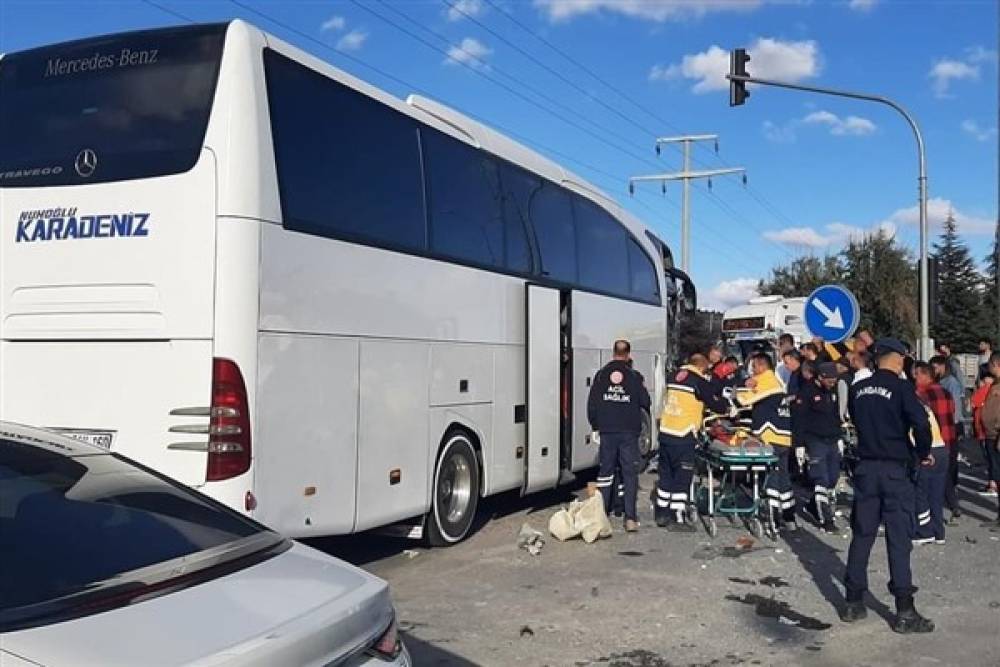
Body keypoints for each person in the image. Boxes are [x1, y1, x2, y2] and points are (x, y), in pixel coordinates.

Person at [841, 338, 935, 633]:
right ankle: (904, 611)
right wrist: (922, 453)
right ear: (898, 359)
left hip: (866, 468)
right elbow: (921, 423)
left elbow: (855, 420)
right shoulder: (901, 388)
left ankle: (853, 602)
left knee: (862, 534)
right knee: (898, 539)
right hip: (895, 470)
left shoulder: (858, 389)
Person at [656, 353, 732, 531]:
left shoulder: (674, 376)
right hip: (683, 435)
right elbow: (715, 404)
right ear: (701, 368)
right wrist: (727, 407)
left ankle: (661, 513)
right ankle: (677, 517)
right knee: (682, 477)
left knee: (665, 475)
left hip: (666, 432)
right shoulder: (697, 381)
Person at [587, 340, 650, 532]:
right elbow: (645, 402)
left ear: (613, 352)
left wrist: (596, 425)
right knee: (629, 473)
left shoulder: (600, 375)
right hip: (629, 432)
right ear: (628, 354)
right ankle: (630, 518)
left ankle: (602, 515)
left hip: (607, 431)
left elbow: (592, 405)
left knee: (605, 473)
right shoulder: (634, 377)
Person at [737, 353, 797, 532]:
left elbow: (743, 399)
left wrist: (741, 386)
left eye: (754, 367)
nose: (752, 372)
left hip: (771, 436)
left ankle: (773, 517)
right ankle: (788, 515)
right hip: (784, 437)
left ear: (762, 366)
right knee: (783, 476)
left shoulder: (765, 381)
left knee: (771, 477)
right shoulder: (777, 382)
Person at [800, 362, 844, 533]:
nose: (833, 384)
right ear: (820, 377)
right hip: (815, 440)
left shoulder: (831, 391)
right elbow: (799, 420)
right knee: (821, 480)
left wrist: (839, 436)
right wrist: (799, 445)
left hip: (832, 440)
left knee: (832, 479)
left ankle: (812, 506)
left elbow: (834, 415)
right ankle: (826, 521)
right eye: (830, 381)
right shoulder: (807, 392)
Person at [912, 362, 954, 544]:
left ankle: (924, 531)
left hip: (929, 450)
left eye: (916, 375)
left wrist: (921, 453)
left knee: (921, 493)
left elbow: (917, 432)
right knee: (937, 494)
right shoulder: (946, 392)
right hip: (944, 446)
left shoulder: (920, 399)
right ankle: (939, 532)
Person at [930, 355, 966, 518]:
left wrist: (957, 427)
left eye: (935, 367)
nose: (934, 371)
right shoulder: (939, 384)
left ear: (943, 366)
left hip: (950, 428)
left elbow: (956, 408)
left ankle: (951, 497)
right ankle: (950, 498)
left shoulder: (951, 383)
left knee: (948, 466)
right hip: (944, 430)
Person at [979, 352, 1000, 524]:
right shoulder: (996, 384)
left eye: (990, 365)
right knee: (996, 474)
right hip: (991, 435)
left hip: (997, 436)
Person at [972, 373, 999, 497]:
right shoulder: (993, 389)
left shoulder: (987, 389)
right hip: (988, 431)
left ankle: (993, 484)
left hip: (986, 432)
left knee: (991, 459)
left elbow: (972, 403)